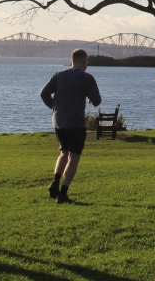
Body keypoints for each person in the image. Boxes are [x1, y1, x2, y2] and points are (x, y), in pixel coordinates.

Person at [40, 49, 102, 204]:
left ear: (71, 61)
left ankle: (55, 181)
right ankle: (63, 193)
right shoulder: (86, 77)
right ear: (84, 62)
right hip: (75, 122)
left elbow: (43, 93)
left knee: (64, 153)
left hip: (59, 121)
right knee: (74, 157)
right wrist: (91, 100)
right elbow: (97, 100)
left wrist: (54, 107)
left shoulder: (58, 75)